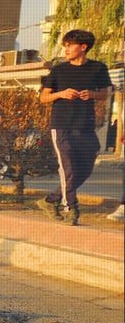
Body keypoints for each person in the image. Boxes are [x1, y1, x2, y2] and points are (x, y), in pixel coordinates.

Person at [37, 29, 113, 225]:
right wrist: (61, 94)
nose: (66, 49)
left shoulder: (98, 68)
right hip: (61, 125)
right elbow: (43, 97)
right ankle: (71, 207)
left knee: (84, 170)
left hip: (86, 126)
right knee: (68, 169)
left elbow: (105, 93)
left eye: (69, 45)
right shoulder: (59, 70)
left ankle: (49, 200)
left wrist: (92, 95)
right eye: (65, 46)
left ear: (83, 47)